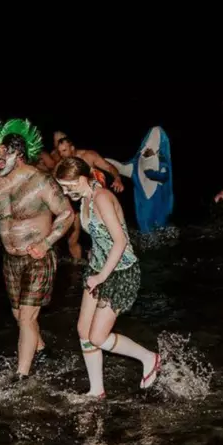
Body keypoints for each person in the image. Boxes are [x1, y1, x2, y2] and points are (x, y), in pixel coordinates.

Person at [0, 119, 75, 379]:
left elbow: (66, 214)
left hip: (39, 255)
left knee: (26, 317)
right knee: (19, 316)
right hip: (10, 259)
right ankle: (41, 350)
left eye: (4, 153)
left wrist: (46, 243)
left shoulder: (40, 181)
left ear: (19, 154)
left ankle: (21, 376)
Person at [53, 156, 160, 397]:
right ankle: (96, 390)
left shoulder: (101, 198)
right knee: (83, 330)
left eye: (67, 186)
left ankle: (150, 358)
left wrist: (101, 276)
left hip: (120, 272)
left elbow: (120, 241)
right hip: (98, 269)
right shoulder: (85, 198)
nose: (64, 191)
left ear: (81, 179)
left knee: (98, 337)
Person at [56, 133, 125, 262]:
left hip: (96, 198)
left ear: (72, 147)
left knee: (108, 235)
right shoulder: (62, 165)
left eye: (64, 150)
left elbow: (109, 167)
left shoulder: (89, 156)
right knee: (72, 240)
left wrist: (117, 179)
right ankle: (79, 267)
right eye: (60, 152)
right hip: (77, 202)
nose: (62, 155)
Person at [106, 126, 174, 232]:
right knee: (145, 230)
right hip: (143, 204)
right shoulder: (136, 164)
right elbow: (121, 168)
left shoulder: (162, 163)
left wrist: (152, 173)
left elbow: (164, 176)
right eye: (147, 147)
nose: (148, 149)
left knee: (160, 229)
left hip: (158, 202)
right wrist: (102, 161)